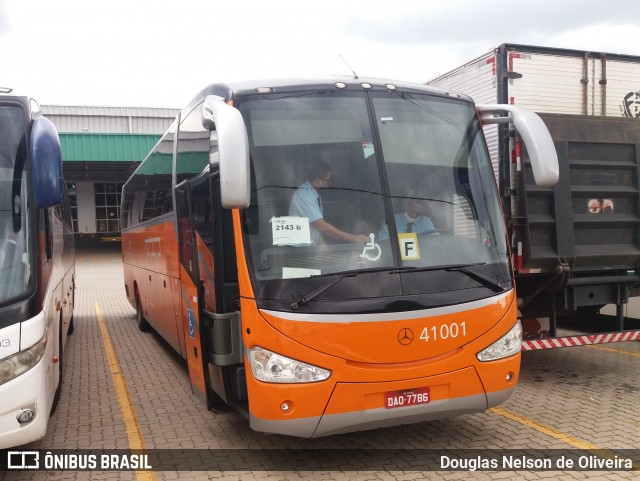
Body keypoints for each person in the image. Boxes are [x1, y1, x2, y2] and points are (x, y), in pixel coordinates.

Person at [289, 160, 369, 245]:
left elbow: (317, 226)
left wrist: (322, 243)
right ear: (318, 180)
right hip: (301, 250)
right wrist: (352, 238)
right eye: (328, 180)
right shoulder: (304, 195)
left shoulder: (313, 193)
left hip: (311, 246)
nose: (330, 183)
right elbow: (321, 226)